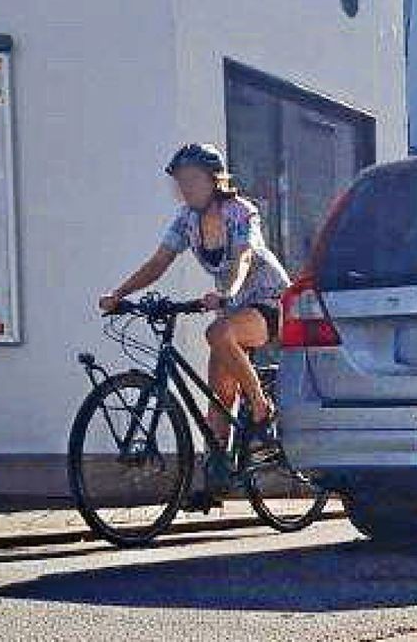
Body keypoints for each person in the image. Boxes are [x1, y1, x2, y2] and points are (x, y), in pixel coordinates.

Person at [98, 143, 291, 456]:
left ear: (214, 180)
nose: (185, 189)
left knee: (217, 333)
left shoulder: (241, 211)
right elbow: (158, 263)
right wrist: (119, 294)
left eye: (192, 180)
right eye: (180, 183)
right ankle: (215, 476)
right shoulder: (187, 219)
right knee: (219, 397)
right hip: (233, 307)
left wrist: (227, 291)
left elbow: (244, 256)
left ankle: (259, 404)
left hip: (271, 301)